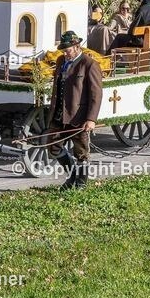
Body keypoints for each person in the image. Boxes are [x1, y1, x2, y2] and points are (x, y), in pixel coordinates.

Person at [47, 31, 102, 190]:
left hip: (78, 116)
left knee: (81, 152)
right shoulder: (60, 61)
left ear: (77, 47)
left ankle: (81, 183)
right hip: (59, 114)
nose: (65, 53)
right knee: (53, 146)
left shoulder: (89, 64)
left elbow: (96, 94)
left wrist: (91, 119)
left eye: (68, 50)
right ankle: (71, 175)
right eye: (63, 50)